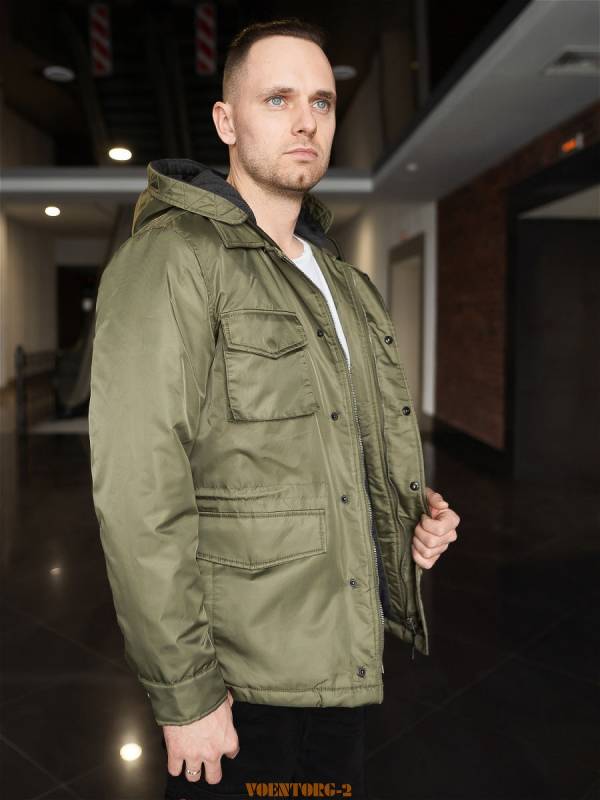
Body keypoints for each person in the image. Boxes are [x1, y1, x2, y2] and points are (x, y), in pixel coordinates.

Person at [88, 16, 460, 800]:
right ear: (226, 121)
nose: (305, 121)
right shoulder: (175, 258)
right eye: (278, 98)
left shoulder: (343, 282)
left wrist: (407, 519)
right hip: (241, 681)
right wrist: (186, 693)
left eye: (322, 102)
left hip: (342, 657)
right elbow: (138, 491)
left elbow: (328, 447)